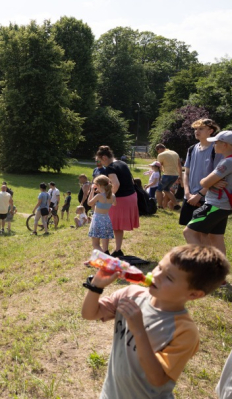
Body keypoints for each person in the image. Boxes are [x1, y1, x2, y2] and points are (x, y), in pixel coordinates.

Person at [81, 244, 230, 398]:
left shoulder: (184, 331)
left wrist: (139, 330)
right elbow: (89, 314)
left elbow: (157, 379)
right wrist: (96, 286)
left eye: (169, 278)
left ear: (194, 294)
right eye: (159, 267)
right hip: (111, 393)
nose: (156, 275)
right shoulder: (131, 294)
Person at [184, 130, 232, 257]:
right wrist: (212, 182)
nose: (214, 145)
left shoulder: (227, 162)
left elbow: (204, 182)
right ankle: (220, 274)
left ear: (225, 145)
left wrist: (208, 182)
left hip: (215, 205)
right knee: (216, 238)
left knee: (189, 232)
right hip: (225, 206)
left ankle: (203, 265)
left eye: (216, 143)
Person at [180, 118, 223, 248]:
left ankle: (205, 263)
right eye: (195, 129)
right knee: (193, 232)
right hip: (190, 197)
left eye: (201, 129)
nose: (197, 131)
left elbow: (218, 176)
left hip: (208, 198)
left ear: (210, 131)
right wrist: (187, 193)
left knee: (206, 235)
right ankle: (201, 262)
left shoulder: (217, 149)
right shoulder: (192, 149)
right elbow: (186, 173)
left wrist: (199, 194)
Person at [96, 145, 140, 256]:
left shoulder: (110, 168)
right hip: (131, 197)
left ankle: (105, 251)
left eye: (100, 160)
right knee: (118, 226)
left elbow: (116, 184)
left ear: (104, 157)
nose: (101, 163)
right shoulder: (122, 163)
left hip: (120, 199)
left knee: (106, 225)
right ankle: (118, 250)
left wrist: (108, 197)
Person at [87, 175, 116, 254]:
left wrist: (92, 191)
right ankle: (105, 254)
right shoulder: (113, 196)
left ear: (99, 185)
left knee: (95, 244)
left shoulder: (99, 196)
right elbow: (114, 204)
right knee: (105, 245)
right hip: (106, 219)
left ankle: (106, 258)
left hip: (97, 220)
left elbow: (89, 203)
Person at [155, 143, 183, 210]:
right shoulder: (175, 153)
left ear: (159, 149)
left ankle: (160, 206)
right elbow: (179, 165)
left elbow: (159, 167)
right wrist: (180, 176)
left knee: (158, 190)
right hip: (175, 175)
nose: (158, 152)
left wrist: (159, 176)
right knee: (167, 190)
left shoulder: (161, 155)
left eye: (157, 151)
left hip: (167, 174)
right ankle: (176, 204)